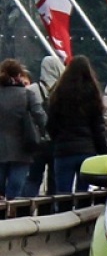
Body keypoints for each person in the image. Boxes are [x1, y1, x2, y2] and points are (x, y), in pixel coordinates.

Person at [45, 55, 107, 195]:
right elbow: (98, 128)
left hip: (63, 150)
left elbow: (51, 124)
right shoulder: (92, 93)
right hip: (87, 151)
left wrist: (58, 140)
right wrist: (103, 152)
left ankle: (62, 214)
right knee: (83, 193)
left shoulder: (59, 93)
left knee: (62, 193)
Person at [0, 58, 47, 199]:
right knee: (16, 187)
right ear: (19, 75)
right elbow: (41, 117)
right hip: (23, 148)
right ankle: (14, 213)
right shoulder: (27, 95)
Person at [22, 55, 63, 197]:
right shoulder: (64, 91)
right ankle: (51, 210)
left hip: (37, 140)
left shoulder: (32, 90)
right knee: (54, 179)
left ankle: (26, 207)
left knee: (33, 178)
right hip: (57, 141)